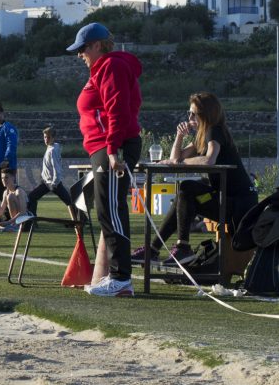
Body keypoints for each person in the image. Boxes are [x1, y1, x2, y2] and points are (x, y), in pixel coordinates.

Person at [134, 92, 258, 266]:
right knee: (185, 192)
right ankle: (156, 249)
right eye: (189, 113)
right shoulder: (201, 136)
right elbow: (174, 157)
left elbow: (209, 159)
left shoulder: (214, 130)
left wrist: (179, 162)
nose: (189, 117)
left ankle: (169, 248)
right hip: (225, 197)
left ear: (205, 115)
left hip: (238, 204)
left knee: (187, 189)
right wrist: (179, 137)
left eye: (194, 113)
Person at [70, 22, 143, 297]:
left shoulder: (111, 66)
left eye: (83, 48)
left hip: (113, 145)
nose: (80, 54)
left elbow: (117, 110)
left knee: (111, 209)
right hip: (105, 145)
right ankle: (117, 275)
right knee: (107, 209)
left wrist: (113, 150)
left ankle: (121, 278)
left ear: (98, 45)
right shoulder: (102, 69)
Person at [26, 126, 75, 218]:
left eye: (48, 137)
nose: (46, 139)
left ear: (53, 138)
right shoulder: (52, 147)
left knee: (69, 201)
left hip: (53, 183)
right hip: (46, 182)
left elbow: (56, 168)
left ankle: (81, 220)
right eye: (45, 137)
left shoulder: (52, 150)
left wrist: (55, 182)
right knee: (32, 197)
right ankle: (32, 220)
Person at [0, 166, 29, 232]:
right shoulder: (5, 192)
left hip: (24, 220)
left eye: (6, 177)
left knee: (10, 196)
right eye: (2, 178)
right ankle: (6, 229)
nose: (4, 180)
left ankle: (13, 227)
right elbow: (2, 209)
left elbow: (23, 212)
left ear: (13, 178)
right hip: (13, 221)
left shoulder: (19, 191)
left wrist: (9, 222)